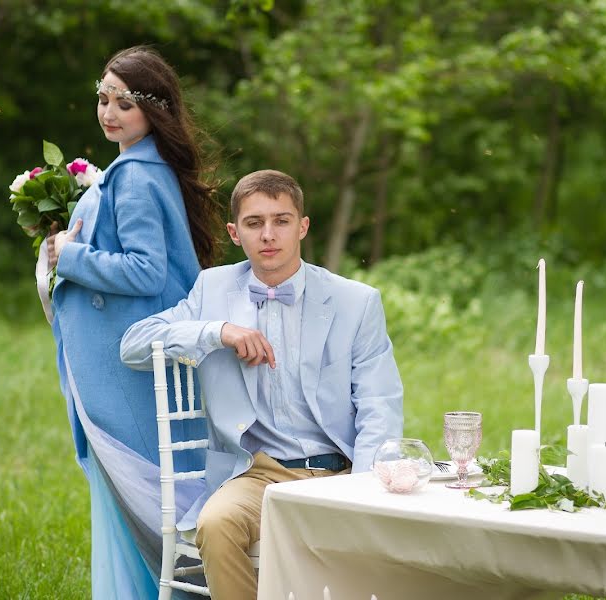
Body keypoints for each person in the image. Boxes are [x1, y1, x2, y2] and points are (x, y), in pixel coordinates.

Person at [120, 169, 404, 600]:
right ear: (235, 233)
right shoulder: (211, 289)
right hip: (256, 474)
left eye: (281, 221)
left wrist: (362, 491)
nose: (268, 235)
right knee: (216, 525)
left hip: (339, 472)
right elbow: (133, 345)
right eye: (254, 223)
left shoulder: (356, 301)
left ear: (303, 226)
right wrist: (217, 332)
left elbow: (379, 404)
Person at [41, 45, 221, 599]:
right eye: (102, 99)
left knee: (140, 505)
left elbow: (146, 272)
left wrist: (64, 255)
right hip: (126, 372)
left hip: (130, 376)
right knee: (134, 506)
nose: (108, 112)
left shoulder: (138, 176)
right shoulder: (137, 169)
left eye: (124, 101)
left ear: (154, 109)